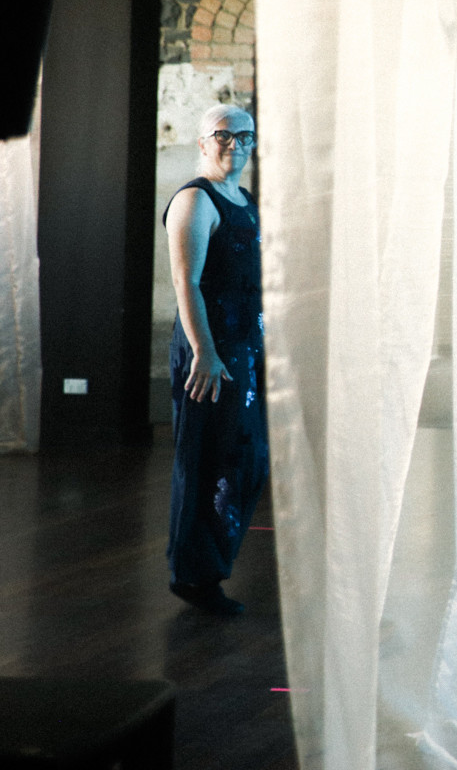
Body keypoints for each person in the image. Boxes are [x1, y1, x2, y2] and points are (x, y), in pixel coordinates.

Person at [163, 104, 267, 616]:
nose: (234, 144)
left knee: (245, 461)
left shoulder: (242, 200)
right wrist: (204, 350)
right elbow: (187, 281)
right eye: (223, 135)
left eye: (244, 136)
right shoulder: (195, 200)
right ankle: (195, 577)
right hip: (211, 353)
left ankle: (209, 569)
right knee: (208, 462)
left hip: (244, 352)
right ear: (204, 142)